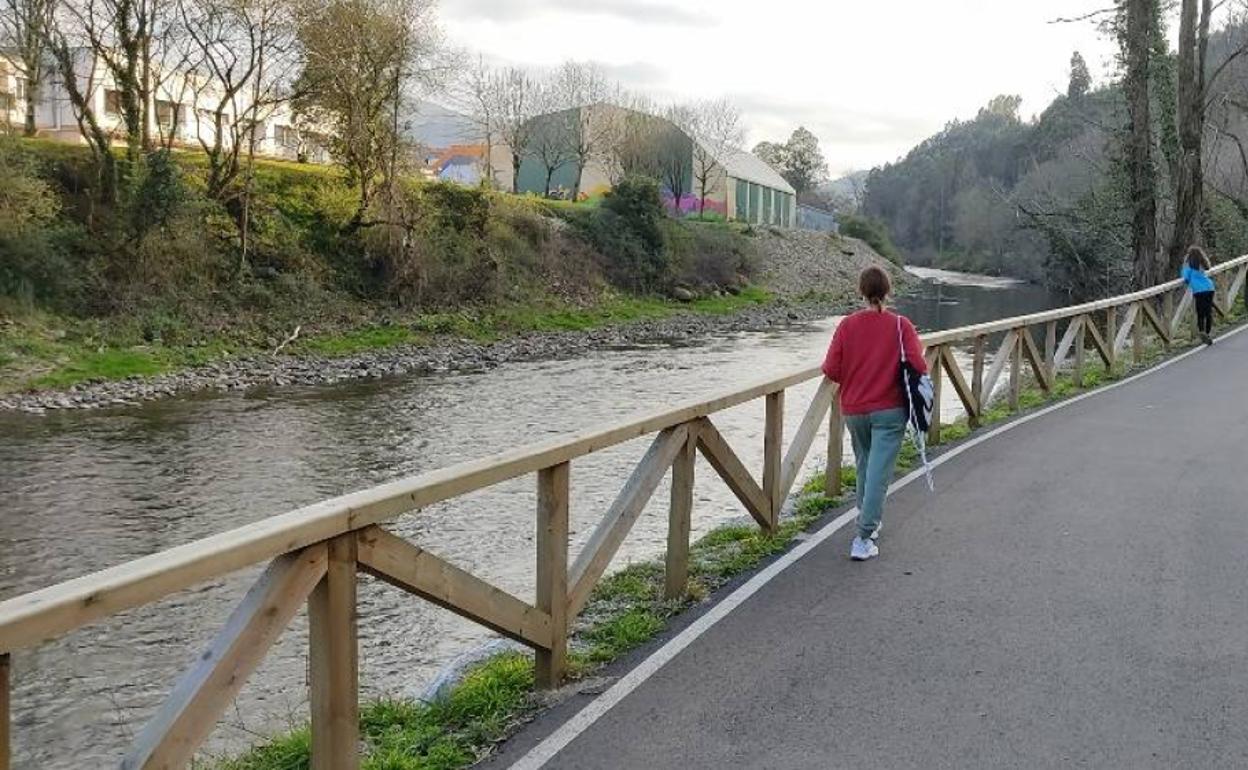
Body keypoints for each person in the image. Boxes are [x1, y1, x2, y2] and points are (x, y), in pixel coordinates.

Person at [822, 266, 927, 561]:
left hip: (855, 409)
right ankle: (863, 536)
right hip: (889, 410)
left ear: (861, 291)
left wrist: (858, 374)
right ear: (888, 291)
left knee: (865, 465)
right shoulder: (900, 325)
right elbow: (919, 366)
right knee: (878, 473)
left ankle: (868, 520)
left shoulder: (847, 325)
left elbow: (831, 369)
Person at [1182, 246, 1216, 345]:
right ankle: (1208, 332)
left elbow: (1185, 278)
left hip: (1199, 291)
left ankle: (1202, 331)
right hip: (1209, 288)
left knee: (1200, 312)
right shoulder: (1203, 264)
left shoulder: (1188, 266)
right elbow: (1207, 269)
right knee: (1208, 311)